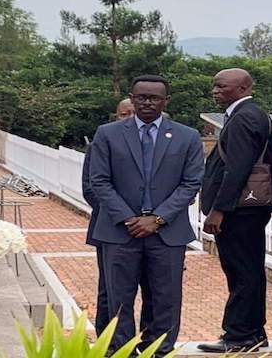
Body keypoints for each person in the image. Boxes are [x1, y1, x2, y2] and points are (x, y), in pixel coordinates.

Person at [89, 75, 205, 356]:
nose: (147, 103)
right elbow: (99, 181)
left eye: (154, 98)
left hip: (166, 233)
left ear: (166, 101)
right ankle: (121, 351)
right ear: (132, 97)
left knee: (165, 299)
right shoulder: (108, 133)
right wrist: (129, 218)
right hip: (119, 232)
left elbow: (191, 183)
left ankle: (159, 350)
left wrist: (158, 218)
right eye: (141, 97)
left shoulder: (186, 136)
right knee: (118, 300)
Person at [198, 68, 272, 353]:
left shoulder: (245, 117)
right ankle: (253, 332)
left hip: (240, 211)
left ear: (243, 87)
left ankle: (239, 335)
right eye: (214, 85)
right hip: (246, 210)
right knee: (248, 270)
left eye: (221, 85)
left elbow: (237, 168)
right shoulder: (248, 115)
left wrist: (218, 210)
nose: (215, 90)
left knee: (241, 271)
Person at [82, 98, 135, 336]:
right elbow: (91, 188)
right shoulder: (101, 143)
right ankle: (106, 341)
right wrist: (122, 216)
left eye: (132, 113)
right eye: (123, 114)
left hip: (151, 228)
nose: (129, 117)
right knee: (109, 289)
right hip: (110, 228)